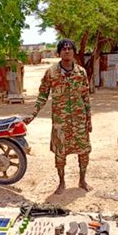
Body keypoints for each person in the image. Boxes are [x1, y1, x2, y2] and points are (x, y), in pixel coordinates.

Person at [24, 39, 92, 195]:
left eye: (69, 49)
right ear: (59, 53)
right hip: (60, 123)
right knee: (60, 154)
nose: (67, 51)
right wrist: (33, 114)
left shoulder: (81, 72)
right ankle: (61, 183)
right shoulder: (51, 73)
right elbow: (42, 95)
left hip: (79, 121)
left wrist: (89, 120)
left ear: (74, 52)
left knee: (84, 151)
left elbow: (86, 97)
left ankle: (82, 180)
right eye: (63, 49)